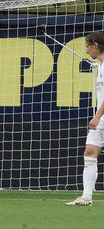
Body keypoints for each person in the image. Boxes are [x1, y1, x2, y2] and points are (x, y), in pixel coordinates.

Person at [65, 31, 104, 206]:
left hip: (100, 117)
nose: (87, 51)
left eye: (88, 46)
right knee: (89, 152)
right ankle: (86, 197)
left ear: (96, 45)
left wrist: (96, 117)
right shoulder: (101, 65)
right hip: (102, 119)